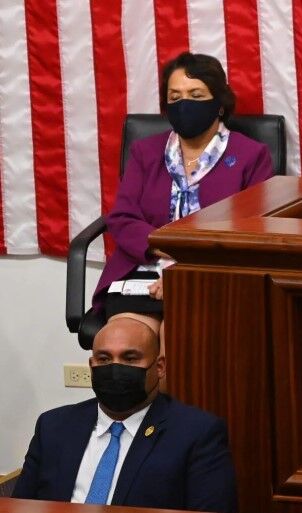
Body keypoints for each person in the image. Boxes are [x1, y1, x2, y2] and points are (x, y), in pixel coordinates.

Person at [92, 51, 275, 335]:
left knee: (176, 339)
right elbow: (123, 216)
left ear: (219, 104)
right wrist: (162, 247)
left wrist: (186, 266)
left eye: (196, 95)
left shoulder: (251, 155)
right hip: (142, 270)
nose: (184, 104)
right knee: (120, 343)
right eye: (175, 97)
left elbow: (251, 230)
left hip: (212, 276)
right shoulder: (146, 152)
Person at [13, 317, 237, 512]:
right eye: (104, 359)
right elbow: (19, 506)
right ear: (92, 366)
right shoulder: (53, 426)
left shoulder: (197, 433)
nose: (115, 368)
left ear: (159, 367)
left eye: (130, 359)